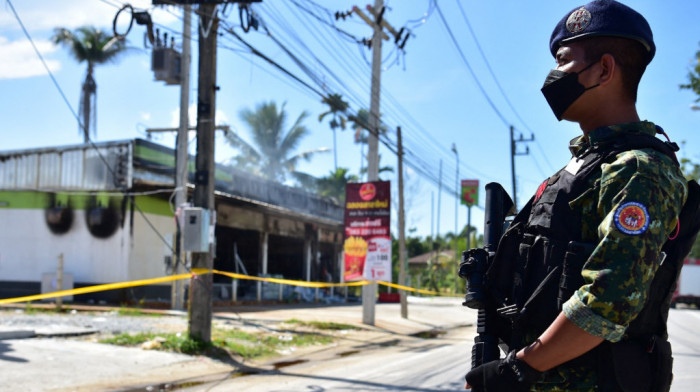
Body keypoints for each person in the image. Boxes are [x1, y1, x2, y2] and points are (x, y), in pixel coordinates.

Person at [464, 1, 690, 391]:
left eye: (564, 61)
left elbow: (608, 299)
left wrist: (517, 369)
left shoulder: (637, 168)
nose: (554, 76)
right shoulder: (583, 166)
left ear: (604, 69)